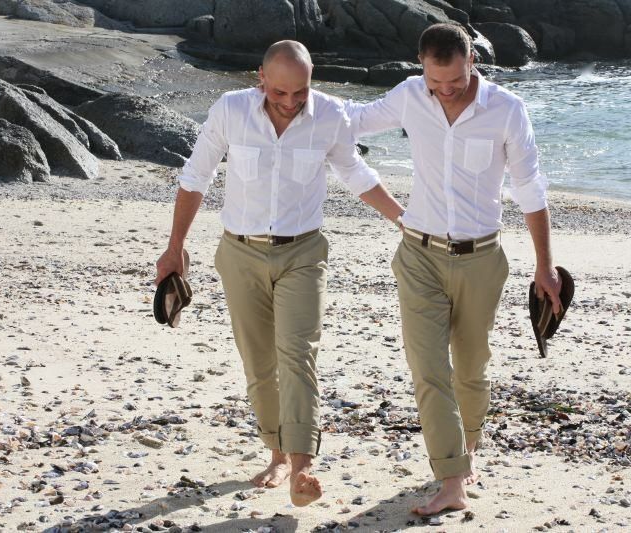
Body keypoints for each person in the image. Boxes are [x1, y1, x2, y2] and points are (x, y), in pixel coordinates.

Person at [155, 40, 404, 506]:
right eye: (280, 93)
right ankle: (276, 453)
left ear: (312, 83)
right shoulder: (230, 111)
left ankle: (302, 466)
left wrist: (406, 222)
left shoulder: (330, 114)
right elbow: (195, 178)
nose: (290, 103)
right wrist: (174, 249)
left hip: (303, 253)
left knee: (297, 354)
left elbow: (356, 174)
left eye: (301, 93)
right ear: (261, 80)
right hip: (239, 253)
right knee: (259, 362)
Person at [347, 23, 563, 515]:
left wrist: (545, 266)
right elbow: (352, 121)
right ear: (421, 67)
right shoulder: (408, 95)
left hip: (482, 259)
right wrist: (288, 97)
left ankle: (468, 448)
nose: (445, 92)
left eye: (456, 82)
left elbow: (531, 190)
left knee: (470, 368)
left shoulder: (507, 110)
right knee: (428, 369)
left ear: (473, 63)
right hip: (418, 254)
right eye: (434, 83)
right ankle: (451, 478)